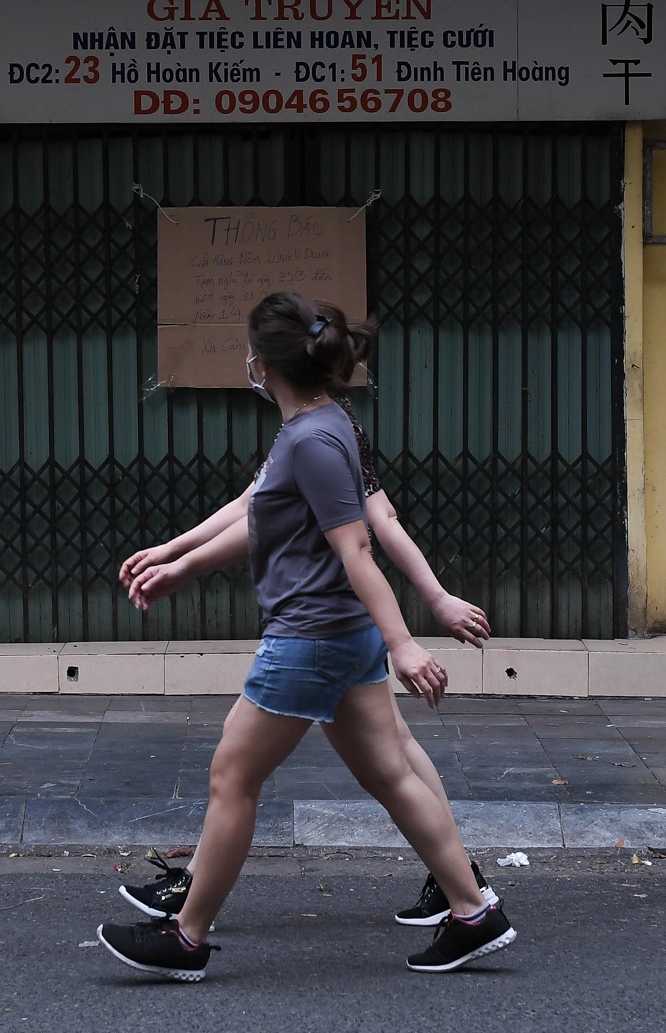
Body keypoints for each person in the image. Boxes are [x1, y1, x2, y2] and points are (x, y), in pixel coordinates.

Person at [96, 292, 517, 980]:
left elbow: (357, 550)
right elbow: (257, 510)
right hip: (338, 637)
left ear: (263, 365)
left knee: (233, 774)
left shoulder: (315, 439)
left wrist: (406, 639)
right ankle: (474, 910)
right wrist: (179, 560)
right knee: (391, 771)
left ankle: (187, 935)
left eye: (248, 353)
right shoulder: (320, 427)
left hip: (309, 639)